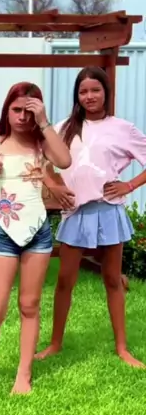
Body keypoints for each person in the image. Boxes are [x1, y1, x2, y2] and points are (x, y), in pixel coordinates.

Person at [0, 82, 72, 394]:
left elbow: (65, 161)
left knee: (29, 305)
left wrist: (44, 122)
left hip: (38, 233)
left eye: (28, 111)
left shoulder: (42, 144)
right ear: (6, 110)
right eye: (16, 109)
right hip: (4, 234)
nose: (22, 116)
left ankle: (23, 375)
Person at [36, 66, 146, 368]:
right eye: (83, 91)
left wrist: (129, 185)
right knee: (64, 280)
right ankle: (55, 343)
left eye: (95, 90)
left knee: (112, 279)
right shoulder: (63, 127)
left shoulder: (122, 128)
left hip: (108, 210)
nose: (89, 96)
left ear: (106, 93)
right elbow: (39, 161)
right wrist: (54, 186)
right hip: (75, 213)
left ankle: (122, 348)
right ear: (77, 96)